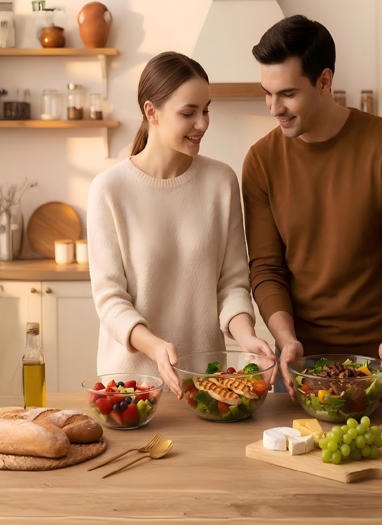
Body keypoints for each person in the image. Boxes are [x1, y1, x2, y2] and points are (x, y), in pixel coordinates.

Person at [242, 15, 382, 403]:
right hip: (297, 367)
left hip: (377, 367)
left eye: (287, 94)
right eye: (267, 92)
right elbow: (266, 269)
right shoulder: (261, 161)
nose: (274, 107)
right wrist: (285, 340)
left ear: (325, 81)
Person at [88, 52, 273, 399]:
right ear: (151, 112)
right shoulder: (109, 189)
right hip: (132, 391)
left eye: (205, 110)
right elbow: (110, 301)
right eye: (188, 113)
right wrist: (155, 347)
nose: (202, 123)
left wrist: (247, 336)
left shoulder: (221, 181)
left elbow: (232, 284)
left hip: (209, 386)